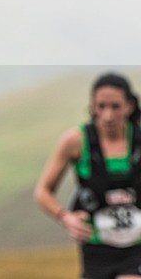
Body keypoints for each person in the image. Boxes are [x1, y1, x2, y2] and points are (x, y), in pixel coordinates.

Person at [35, 72, 141, 279]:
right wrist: (65, 217)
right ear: (93, 106)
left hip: (136, 248)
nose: (108, 115)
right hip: (95, 248)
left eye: (115, 106)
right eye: (101, 106)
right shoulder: (76, 141)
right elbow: (42, 191)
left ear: (129, 106)